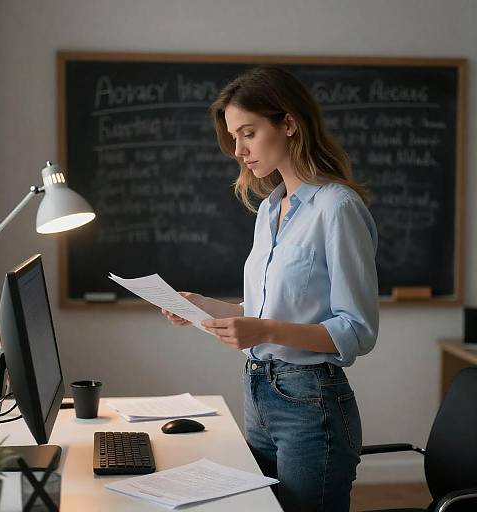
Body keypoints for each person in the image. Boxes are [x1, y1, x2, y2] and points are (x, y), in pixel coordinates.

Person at [161, 66, 379, 512]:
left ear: (289, 124)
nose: (239, 151)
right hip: (259, 392)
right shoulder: (269, 210)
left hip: (311, 403)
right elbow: (265, 311)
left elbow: (355, 330)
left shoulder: (337, 208)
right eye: (233, 137)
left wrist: (264, 332)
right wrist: (201, 307)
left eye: (248, 133)